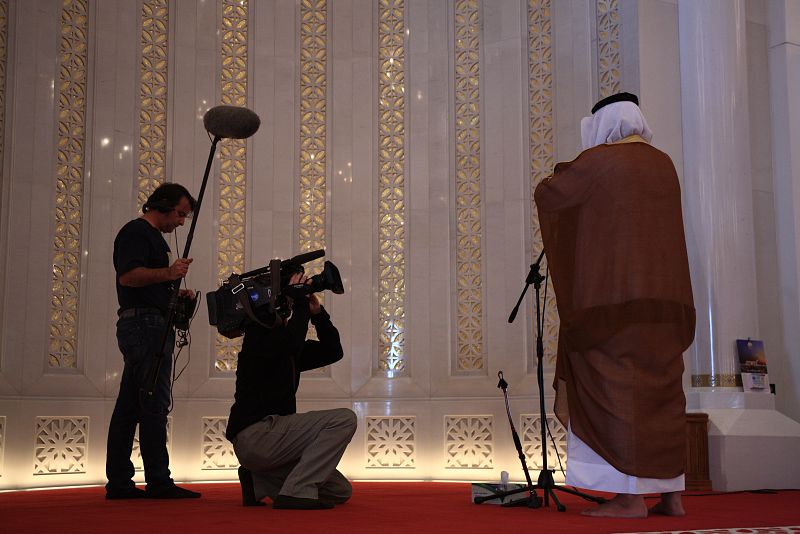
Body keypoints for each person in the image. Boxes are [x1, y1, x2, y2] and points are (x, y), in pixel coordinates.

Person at [534, 92, 696, 518]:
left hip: (613, 305)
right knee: (663, 395)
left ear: (602, 124)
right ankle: (671, 496)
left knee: (618, 393)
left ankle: (628, 498)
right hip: (666, 304)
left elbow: (550, 193)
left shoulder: (600, 162)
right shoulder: (664, 164)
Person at [227, 272, 356, 510]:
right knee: (344, 420)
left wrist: (317, 314)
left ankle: (256, 480)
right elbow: (291, 342)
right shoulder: (258, 338)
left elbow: (333, 351)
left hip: (273, 443)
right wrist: (299, 302)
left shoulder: (287, 347)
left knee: (339, 490)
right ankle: (296, 492)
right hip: (257, 436)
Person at [105, 183, 201, 500]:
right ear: (162, 205)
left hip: (145, 324)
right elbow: (129, 276)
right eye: (180, 214)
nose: (182, 222)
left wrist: (173, 292)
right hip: (145, 326)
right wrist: (169, 274)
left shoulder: (153, 237)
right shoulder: (136, 232)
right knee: (154, 404)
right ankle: (158, 480)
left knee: (130, 405)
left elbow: (146, 281)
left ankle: (120, 482)